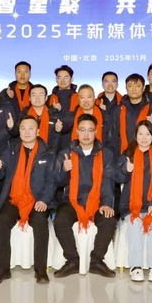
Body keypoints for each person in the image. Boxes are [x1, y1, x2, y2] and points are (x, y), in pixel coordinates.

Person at [0, 116, 56, 285]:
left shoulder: (48, 152)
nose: (26, 132)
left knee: (40, 221)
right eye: (23, 128)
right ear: (19, 132)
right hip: (14, 199)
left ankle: (40, 269)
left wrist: (44, 200)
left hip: (37, 199)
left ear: (38, 131)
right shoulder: (11, 150)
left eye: (31, 128)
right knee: (2, 220)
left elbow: (52, 180)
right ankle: (2, 269)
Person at [53, 114, 117, 278]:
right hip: (72, 201)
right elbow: (58, 182)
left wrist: (106, 203)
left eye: (90, 130)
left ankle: (96, 261)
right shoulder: (66, 153)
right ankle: (72, 260)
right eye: (82, 130)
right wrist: (64, 170)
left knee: (109, 220)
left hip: (97, 201)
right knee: (60, 220)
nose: (86, 134)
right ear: (76, 131)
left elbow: (108, 181)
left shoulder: (106, 154)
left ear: (96, 132)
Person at [116, 121, 152, 282]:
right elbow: (117, 177)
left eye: (148, 134)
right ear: (135, 136)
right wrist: (126, 170)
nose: (144, 137)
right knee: (135, 225)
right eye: (140, 134)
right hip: (131, 206)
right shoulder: (127, 155)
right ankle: (136, 266)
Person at [107, 73, 152, 156]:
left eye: (137, 86)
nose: (133, 89)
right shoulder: (118, 110)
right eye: (130, 86)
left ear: (143, 88)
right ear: (126, 88)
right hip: (123, 155)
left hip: (148, 156)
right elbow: (113, 137)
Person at [8, 84, 66, 152]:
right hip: (27, 151)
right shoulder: (23, 114)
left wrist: (58, 130)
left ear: (46, 98)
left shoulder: (55, 115)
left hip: (49, 152)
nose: (37, 98)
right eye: (34, 95)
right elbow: (16, 133)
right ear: (29, 98)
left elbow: (58, 139)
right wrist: (11, 127)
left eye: (41, 95)